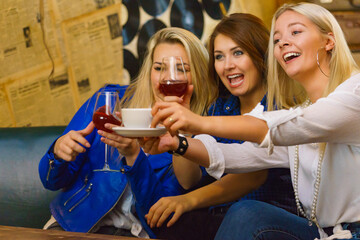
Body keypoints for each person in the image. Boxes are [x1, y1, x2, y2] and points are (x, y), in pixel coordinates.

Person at [143, 3, 360, 239]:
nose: (284, 42)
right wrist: (177, 143)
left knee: (247, 214)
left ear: (329, 41)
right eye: (277, 40)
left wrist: (196, 121)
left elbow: (274, 129)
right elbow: (245, 156)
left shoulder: (354, 93)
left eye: (295, 32)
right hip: (320, 233)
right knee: (235, 215)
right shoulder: (302, 110)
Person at [38, 27, 217, 239]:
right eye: (159, 68)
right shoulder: (110, 100)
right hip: (75, 224)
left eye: (181, 69)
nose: (168, 78)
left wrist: (134, 156)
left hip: (139, 232)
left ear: (197, 73)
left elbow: (161, 217)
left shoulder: (203, 128)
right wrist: (58, 153)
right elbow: (50, 181)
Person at [145, 14, 296, 236]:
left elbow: (253, 173)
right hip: (221, 216)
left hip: (268, 222)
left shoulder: (281, 109)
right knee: (162, 219)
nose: (228, 66)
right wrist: (182, 134)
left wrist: (187, 201)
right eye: (219, 56)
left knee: (239, 213)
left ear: (260, 55)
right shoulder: (220, 107)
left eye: (238, 53)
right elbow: (188, 180)